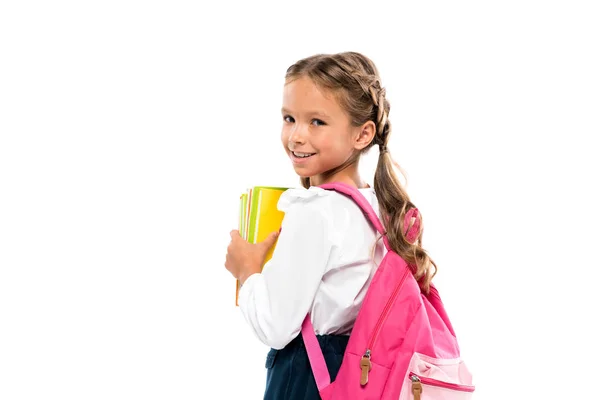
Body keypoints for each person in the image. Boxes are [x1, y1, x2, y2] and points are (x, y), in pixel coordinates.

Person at [224, 51, 437, 400]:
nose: (296, 136)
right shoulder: (379, 207)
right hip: (356, 373)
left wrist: (247, 272)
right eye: (289, 118)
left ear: (362, 134)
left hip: (309, 377)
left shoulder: (315, 209)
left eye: (317, 122)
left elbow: (275, 326)